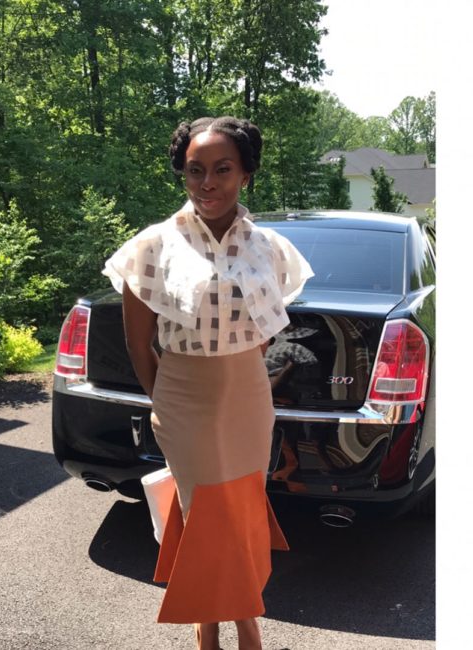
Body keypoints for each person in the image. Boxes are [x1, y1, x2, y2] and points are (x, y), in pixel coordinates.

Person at [102, 116, 314, 650]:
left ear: (245, 174)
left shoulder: (270, 248)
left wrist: (239, 372)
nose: (207, 183)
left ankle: (214, 618)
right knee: (205, 510)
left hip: (247, 396)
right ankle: (242, 621)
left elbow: (262, 332)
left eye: (222, 169)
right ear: (183, 174)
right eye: (195, 170)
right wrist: (166, 400)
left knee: (242, 505)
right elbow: (139, 344)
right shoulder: (151, 246)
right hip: (182, 396)